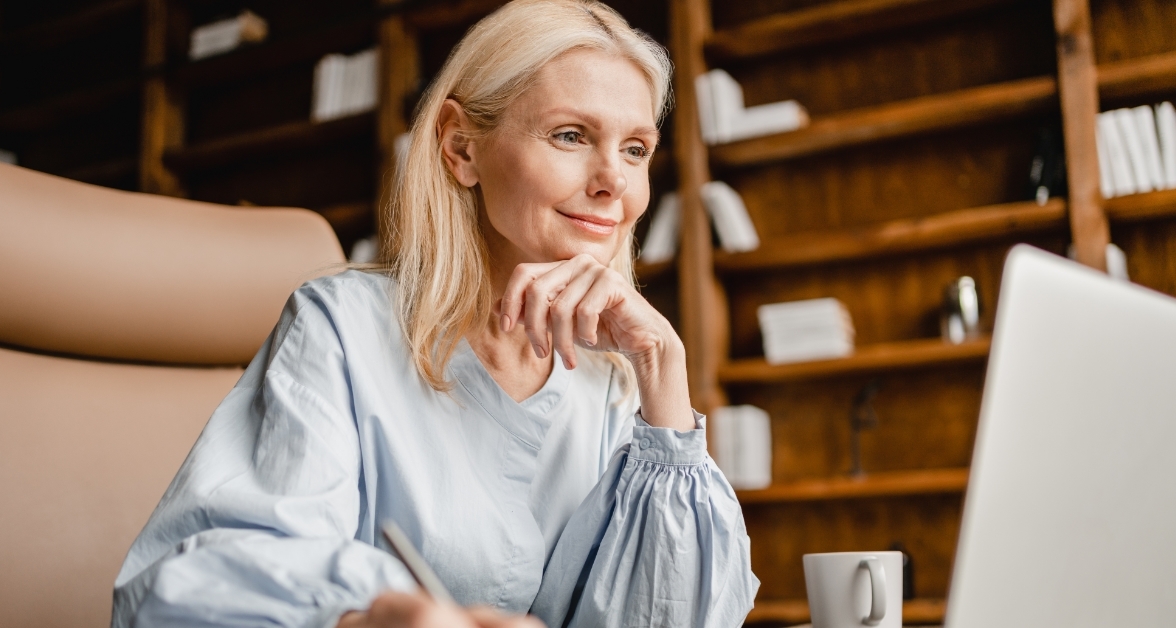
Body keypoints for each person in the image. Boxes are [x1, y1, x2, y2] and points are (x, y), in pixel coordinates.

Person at [112, 1, 759, 626]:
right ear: (461, 148)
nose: (613, 181)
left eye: (636, 149)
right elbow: (203, 587)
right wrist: (365, 619)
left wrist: (663, 371)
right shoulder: (341, 328)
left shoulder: (619, 387)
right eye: (571, 135)